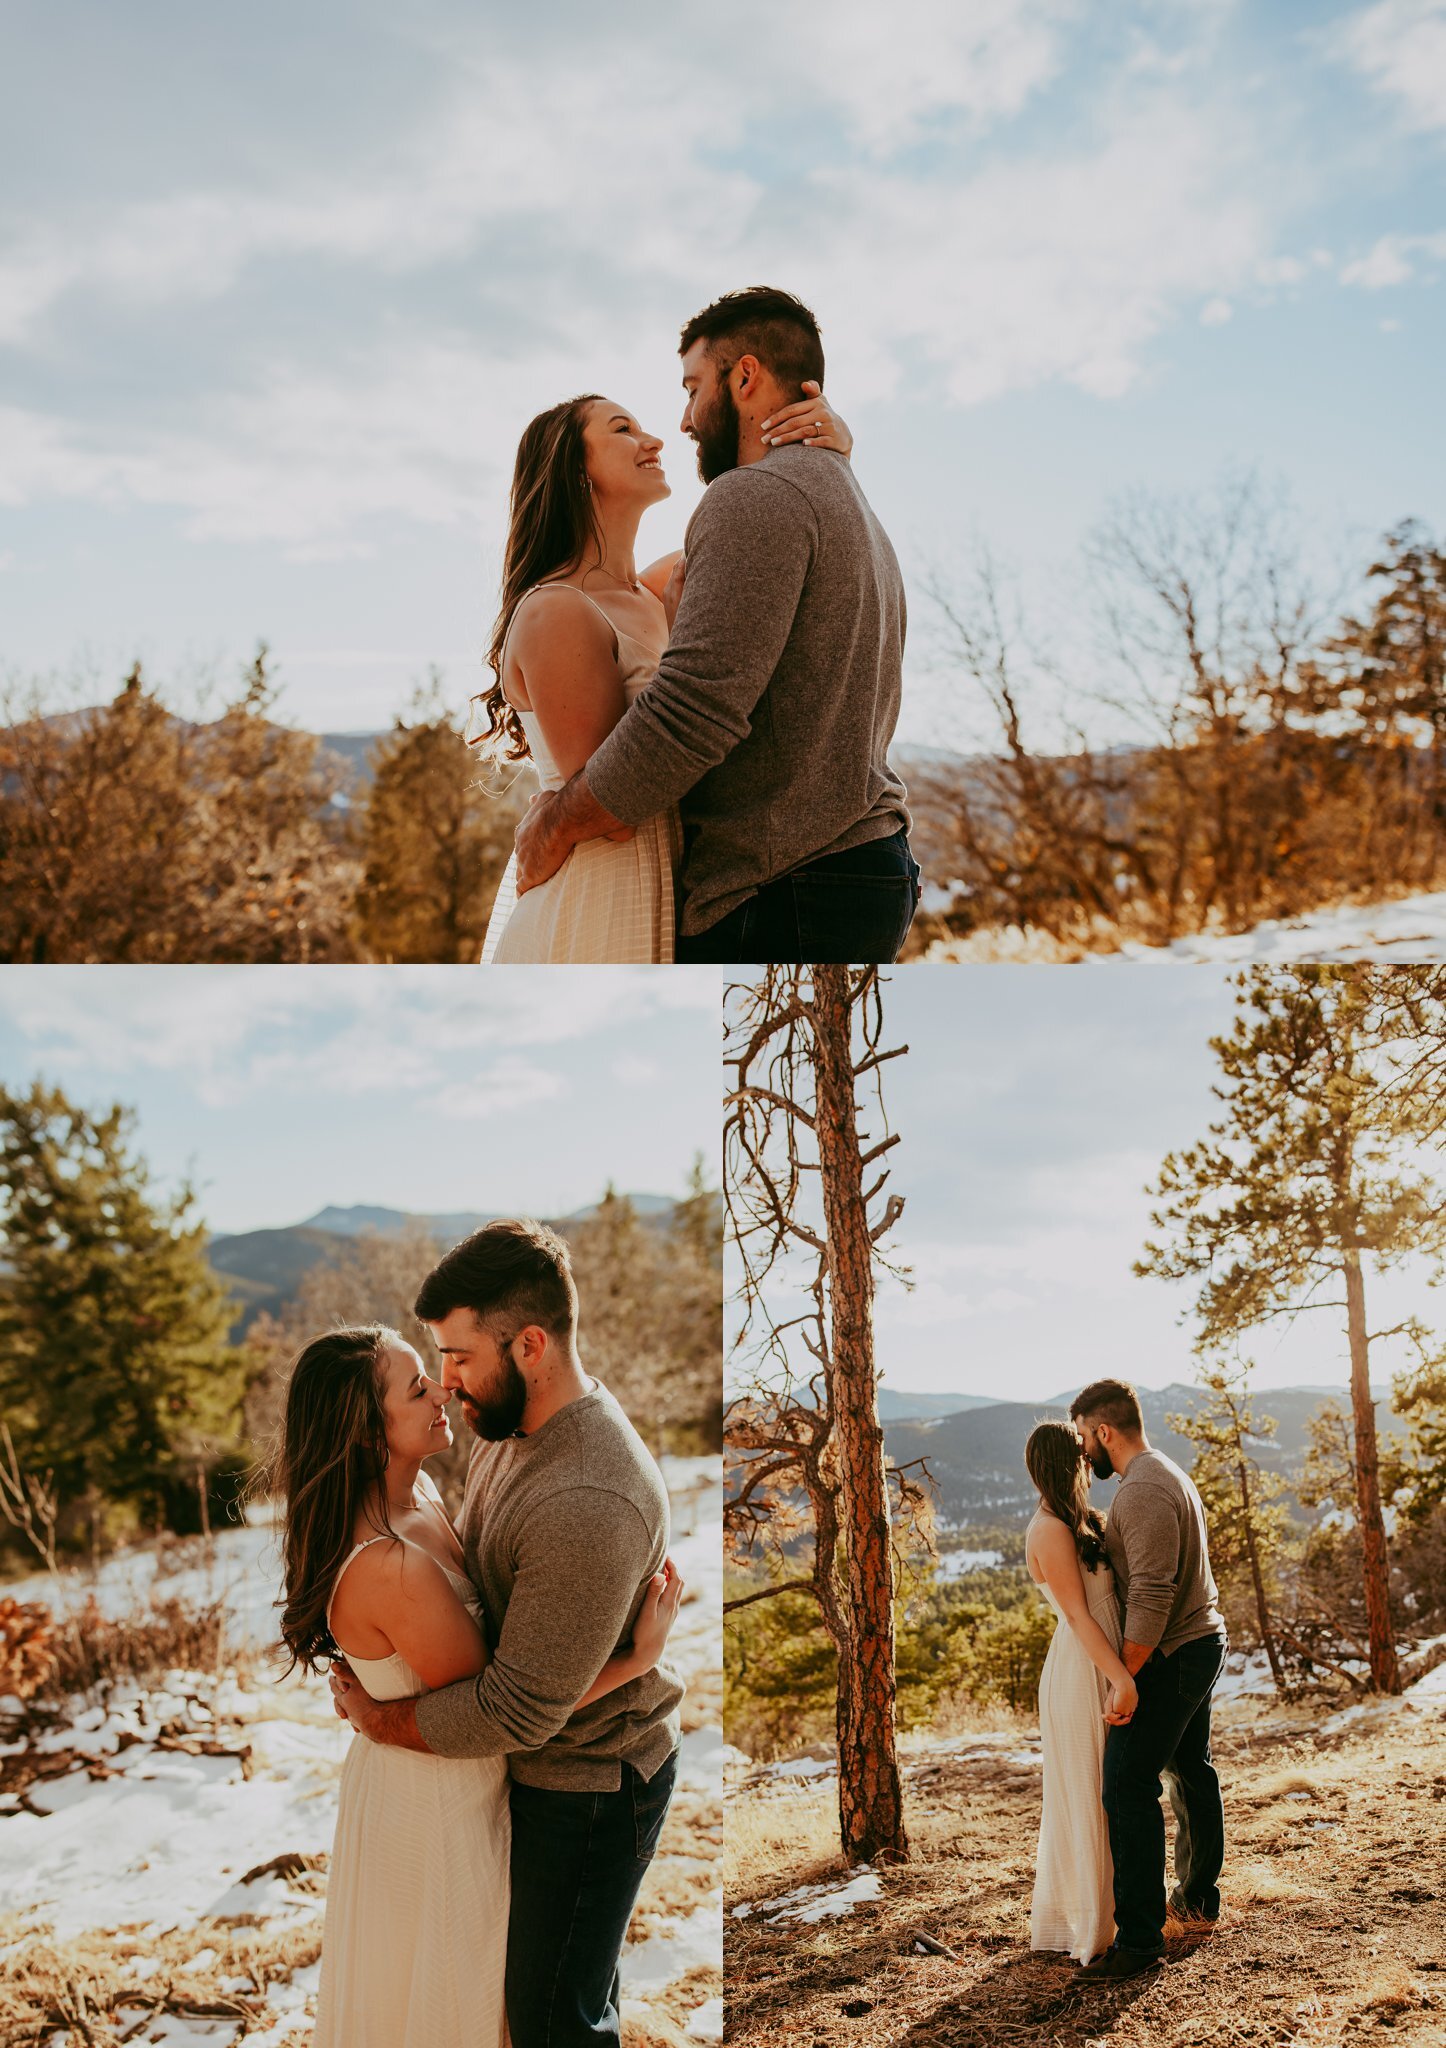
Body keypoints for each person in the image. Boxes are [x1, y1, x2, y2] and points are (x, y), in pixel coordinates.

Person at [327, 1221, 686, 2048]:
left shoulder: (587, 1497)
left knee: (555, 2022)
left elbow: (518, 1709)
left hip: (588, 1783)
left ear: (530, 1344)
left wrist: (382, 1722)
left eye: (457, 1357)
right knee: (553, 1996)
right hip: (528, 1775)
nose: (447, 1384)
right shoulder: (518, 1423)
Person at [511, 286, 920, 964]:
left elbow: (692, 711)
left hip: (784, 885)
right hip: (841, 869)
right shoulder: (842, 500)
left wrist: (554, 824)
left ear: (745, 377)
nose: (682, 421)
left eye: (693, 386)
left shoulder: (754, 496)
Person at [474, 375, 852, 961]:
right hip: (604, 885)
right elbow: (613, 810)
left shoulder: (657, 588)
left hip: (675, 878)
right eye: (623, 430)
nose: (654, 440)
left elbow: (784, 525)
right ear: (577, 471)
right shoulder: (558, 611)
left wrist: (831, 450)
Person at [1069, 1377, 1228, 1983]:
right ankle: (1195, 1901)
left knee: (1127, 1787)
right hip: (1195, 1643)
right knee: (1191, 1769)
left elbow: (1154, 1595)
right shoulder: (1163, 1473)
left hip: (1175, 1654)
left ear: (1103, 1431)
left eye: (1084, 1436)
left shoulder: (1141, 1491)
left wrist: (1123, 1677)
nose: (1084, 1449)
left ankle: (1139, 1942)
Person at [1024, 1418, 1138, 1966]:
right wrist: (1120, 1677)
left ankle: (1121, 1911)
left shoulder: (1083, 1519)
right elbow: (1076, 1615)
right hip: (1082, 1673)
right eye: (1082, 1453)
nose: (1092, 1459)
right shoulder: (1048, 1529)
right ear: (1068, 1464)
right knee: (1090, 1796)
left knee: (1113, 1794)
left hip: (1108, 1663)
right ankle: (1092, 1924)